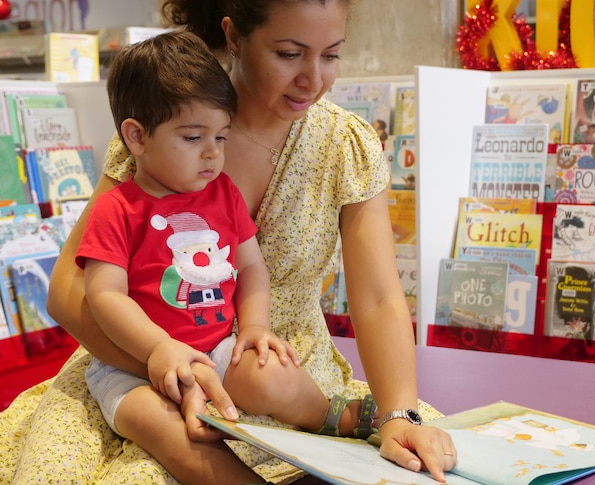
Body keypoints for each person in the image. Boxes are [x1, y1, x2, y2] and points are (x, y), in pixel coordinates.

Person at [0, 1, 456, 484]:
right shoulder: (161, 122)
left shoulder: (346, 144)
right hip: (136, 355)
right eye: (288, 53)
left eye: (331, 54)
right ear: (235, 35)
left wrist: (398, 415)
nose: (313, 79)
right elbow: (69, 290)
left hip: (275, 367)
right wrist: (171, 367)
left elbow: (378, 298)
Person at [79, 29, 375, 472]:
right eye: (193, 138)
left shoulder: (222, 195)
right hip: (132, 363)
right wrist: (159, 350)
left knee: (271, 374)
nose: (212, 155)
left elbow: (252, 268)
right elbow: (104, 295)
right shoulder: (117, 208)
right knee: (160, 426)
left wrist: (255, 327)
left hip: (218, 347)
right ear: (137, 137)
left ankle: (331, 416)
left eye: (221, 137)